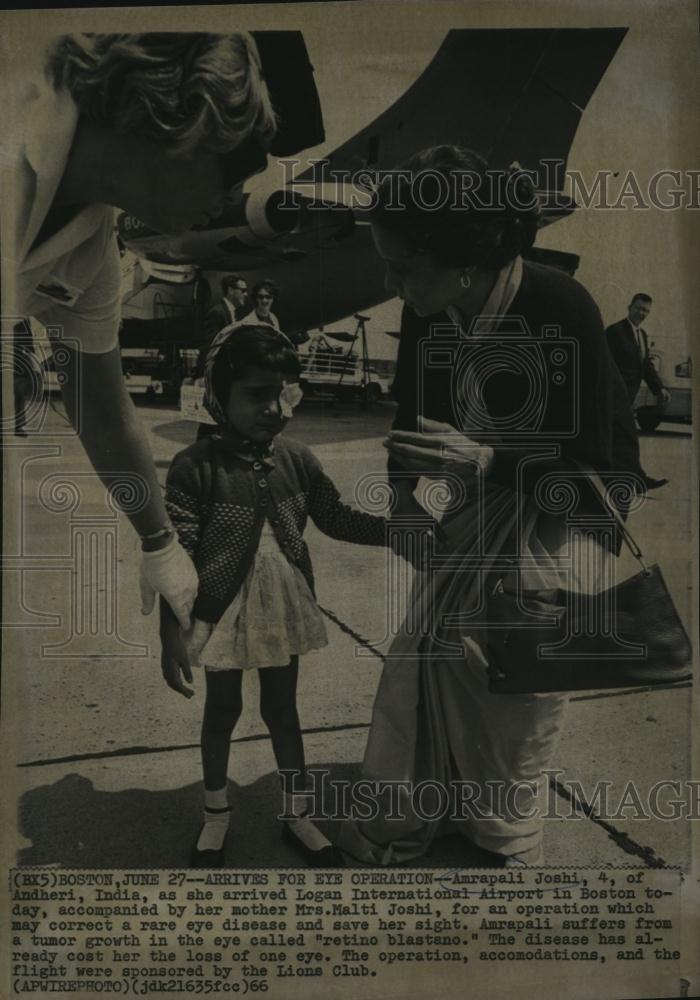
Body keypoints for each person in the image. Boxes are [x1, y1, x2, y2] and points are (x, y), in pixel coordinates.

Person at [337, 145, 644, 868]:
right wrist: (405, 502)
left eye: (402, 267)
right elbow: (412, 418)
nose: (391, 283)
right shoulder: (426, 310)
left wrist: (485, 460)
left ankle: (502, 827)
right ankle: (436, 807)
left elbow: (591, 474)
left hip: (557, 512)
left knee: (514, 680)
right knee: (432, 658)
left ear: (464, 264)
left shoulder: (560, 306)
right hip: (476, 502)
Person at [8, 32, 277, 629]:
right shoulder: (13, 120)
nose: (229, 200)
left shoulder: (90, 252)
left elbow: (102, 410)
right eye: (228, 169)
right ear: (181, 120)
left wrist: (160, 544)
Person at [159, 324, 393, 867]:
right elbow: (176, 558)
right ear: (220, 395)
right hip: (220, 610)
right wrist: (171, 633)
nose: (273, 408)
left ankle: (296, 814)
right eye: (256, 394)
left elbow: (336, 518)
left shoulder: (298, 458)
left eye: (283, 394)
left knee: (283, 710)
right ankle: (216, 815)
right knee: (222, 710)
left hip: (281, 604)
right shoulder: (195, 466)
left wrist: (401, 531)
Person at [605, 293, 670, 490]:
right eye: (639, 308)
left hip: (627, 399)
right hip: (613, 397)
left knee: (620, 441)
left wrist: (659, 388)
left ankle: (627, 480)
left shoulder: (642, 335)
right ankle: (639, 480)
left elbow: (645, 366)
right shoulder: (615, 331)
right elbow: (606, 364)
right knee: (627, 439)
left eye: (646, 311)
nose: (642, 313)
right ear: (629, 307)